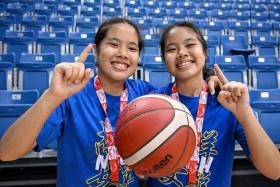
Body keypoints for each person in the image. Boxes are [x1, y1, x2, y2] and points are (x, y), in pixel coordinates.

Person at [0, 18, 219, 187]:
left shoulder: (146, 96)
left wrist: (210, 78)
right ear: (95, 50)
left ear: (138, 57)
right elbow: (6, 153)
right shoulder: (71, 96)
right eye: (113, 44)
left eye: (132, 48)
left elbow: (186, 89)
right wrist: (52, 96)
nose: (123, 54)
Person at [146, 21, 280, 187]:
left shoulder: (228, 103)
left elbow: (274, 171)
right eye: (171, 49)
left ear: (204, 52)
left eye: (190, 44)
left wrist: (244, 113)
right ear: (164, 59)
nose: (181, 53)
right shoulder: (152, 102)